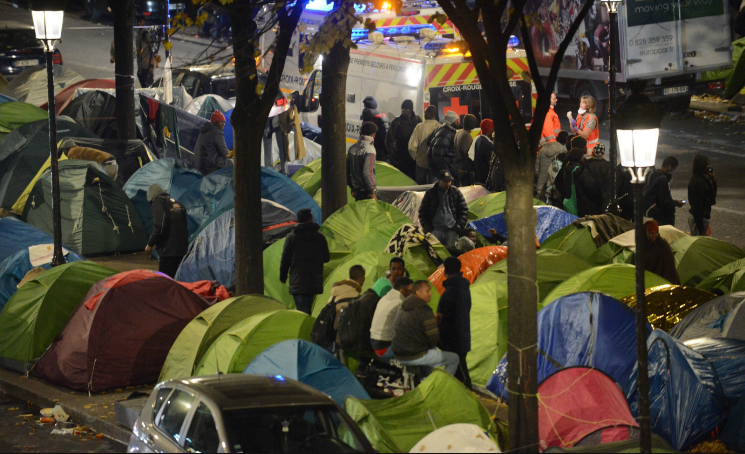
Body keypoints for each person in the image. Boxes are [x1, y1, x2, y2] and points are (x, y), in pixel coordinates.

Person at [391, 280, 460, 377]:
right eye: (427, 291)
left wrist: (432, 322)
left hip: (398, 353)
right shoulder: (424, 310)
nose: (430, 293)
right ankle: (441, 387)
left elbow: (415, 327)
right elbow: (434, 338)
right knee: (454, 358)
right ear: (418, 292)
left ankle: (425, 380)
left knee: (431, 349)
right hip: (413, 355)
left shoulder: (404, 305)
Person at [279, 208, 331, 315]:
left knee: (302, 312)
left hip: (298, 280)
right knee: (309, 311)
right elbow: (326, 258)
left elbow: (286, 258)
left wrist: (283, 276)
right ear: (311, 219)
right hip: (314, 280)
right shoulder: (319, 237)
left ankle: (305, 330)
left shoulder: (291, 237)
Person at [437, 257, 472, 388]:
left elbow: (448, 318)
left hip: (453, 340)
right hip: (462, 337)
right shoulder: (464, 288)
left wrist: (440, 335)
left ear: (445, 271)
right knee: (458, 373)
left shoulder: (451, 291)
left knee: (462, 376)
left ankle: (468, 401)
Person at [145, 184, 188, 278]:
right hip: (182, 248)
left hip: (168, 250)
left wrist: (150, 243)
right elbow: (185, 225)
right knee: (176, 278)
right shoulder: (177, 203)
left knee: (165, 279)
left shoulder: (158, 202)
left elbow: (160, 227)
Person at [419, 170, 469, 247]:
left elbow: (464, 211)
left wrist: (457, 228)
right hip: (436, 231)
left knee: (452, 253)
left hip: (452, 231)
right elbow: (422, 213)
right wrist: (430, 230)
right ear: (439, 181)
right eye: (446, 181)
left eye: (449, 181)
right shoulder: (430, 193)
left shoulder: (455, 192)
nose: (448, 183)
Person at [370, 277, 414, 360]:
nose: (412, 294)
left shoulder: (384, 298)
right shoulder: (400, 303)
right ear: (402, 291)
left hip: (375, 343)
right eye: (410, 291)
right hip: (384, 348)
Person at [560, 148, 604, 216]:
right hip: (584, 206)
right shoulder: (581, 171)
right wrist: (601, 200)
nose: (584, 158)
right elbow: (591, 188)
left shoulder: (567, 168)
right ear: (578, 158)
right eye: (582, 156)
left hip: (572, 203)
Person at [643, 156, 684, 226]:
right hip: (663, 216)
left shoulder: (652, 174)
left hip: (656, 214)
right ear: (669, 167)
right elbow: (664, 202)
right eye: (673, 169)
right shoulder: (663, 179)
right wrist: (677, 203)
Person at [386, 100, 421, 180]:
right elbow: (389, 140)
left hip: (415, 159)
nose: (404, 112)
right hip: (402, 158)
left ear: (411, 110)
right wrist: (394, 156)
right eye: (403, 110)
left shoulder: (417, 120)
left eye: (406, 110)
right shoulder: (396, 122)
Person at [641, 220, 681, 285]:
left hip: (662, 281)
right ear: (645, 233)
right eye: (651, 233)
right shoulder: (642, 245)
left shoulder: (662, 245)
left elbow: (669, 268)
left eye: (656, 232)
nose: (654, 235)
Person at [409, 106, 441, 184]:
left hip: (421, 163)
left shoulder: (419, 127)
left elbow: (411, 147)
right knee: (434, 188)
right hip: (435, 163)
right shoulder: (440, 127)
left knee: (421, 188)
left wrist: (416, 158)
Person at [194, 110, 233, 176]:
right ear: (215, 122)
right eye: (221, 122)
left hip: (200, 166)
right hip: (211, 166)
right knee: (234, 164)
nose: (223, 124)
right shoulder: (217, 132)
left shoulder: (204, 131)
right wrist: (232, 153)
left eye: (224, 122)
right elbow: (225, 153)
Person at [346, 122, 378, 201]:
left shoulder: (352, 148)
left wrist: (351, 186)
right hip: (367, 191)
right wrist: (372, 192)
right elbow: (367, 172)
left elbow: (346, 170)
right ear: (372, 134)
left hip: (357, 190)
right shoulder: (370, 149)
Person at [329, 265, 366, 330]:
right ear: (361, 279)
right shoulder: (356, 297)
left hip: (329, 332)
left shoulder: (335, 291)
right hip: (341, 334)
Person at [688, 154, 717, 236]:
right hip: (699, 219)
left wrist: (712, 179)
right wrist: (701, 229)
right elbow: (697, 207)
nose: (708, 167)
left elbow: (712, 197)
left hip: (703, 217)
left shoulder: (704, 179)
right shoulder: (697, 182)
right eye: (706, 165)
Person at [427, 111, 460, 180]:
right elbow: (438, 155)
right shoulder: (446, 134)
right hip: (444, 174)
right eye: (456, 121)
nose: (458, 122)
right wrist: (446, 173)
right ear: (451, 122)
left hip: (441, 171)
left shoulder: (441, 130)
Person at [536, 129, 567, 202]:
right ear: (566, 141)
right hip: (552, 189)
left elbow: (536, 169)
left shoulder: (543, 149)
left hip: (540, 186)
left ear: (556, 138)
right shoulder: (563, 152)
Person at [361, 96, 390, 162]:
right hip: (380, 152)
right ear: (375, 106)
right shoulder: (381, 118)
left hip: (366, 150)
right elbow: (386, 138)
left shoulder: (365, 117)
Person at [584, 142, 610, 208]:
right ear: (603, 154)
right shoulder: (608, 165)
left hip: (589, 195)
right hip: (603, 195)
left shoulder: (586, 163)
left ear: (593, 152)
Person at [454, 114, 478, 186]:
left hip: (458, 166)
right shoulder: (466, 135)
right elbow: (468, 154)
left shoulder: (459, 132)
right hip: (464, 168)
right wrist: (472, 169)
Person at [135, 17, 157, 88]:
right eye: (138, 22)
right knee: (144, 88)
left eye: (141, 21)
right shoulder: (139, 34)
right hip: (141, 66)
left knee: (147, 88)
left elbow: (153, 50)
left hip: (147, 66)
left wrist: (151, 66)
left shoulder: (146, 34)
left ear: (144, 23)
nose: (139, 23)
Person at [471, 119, 494, 185]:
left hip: (479, 178)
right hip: (485, 180)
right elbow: (490, 163)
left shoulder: (478, 140)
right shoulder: (487, 144)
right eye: (493, 128)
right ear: (490, 129)